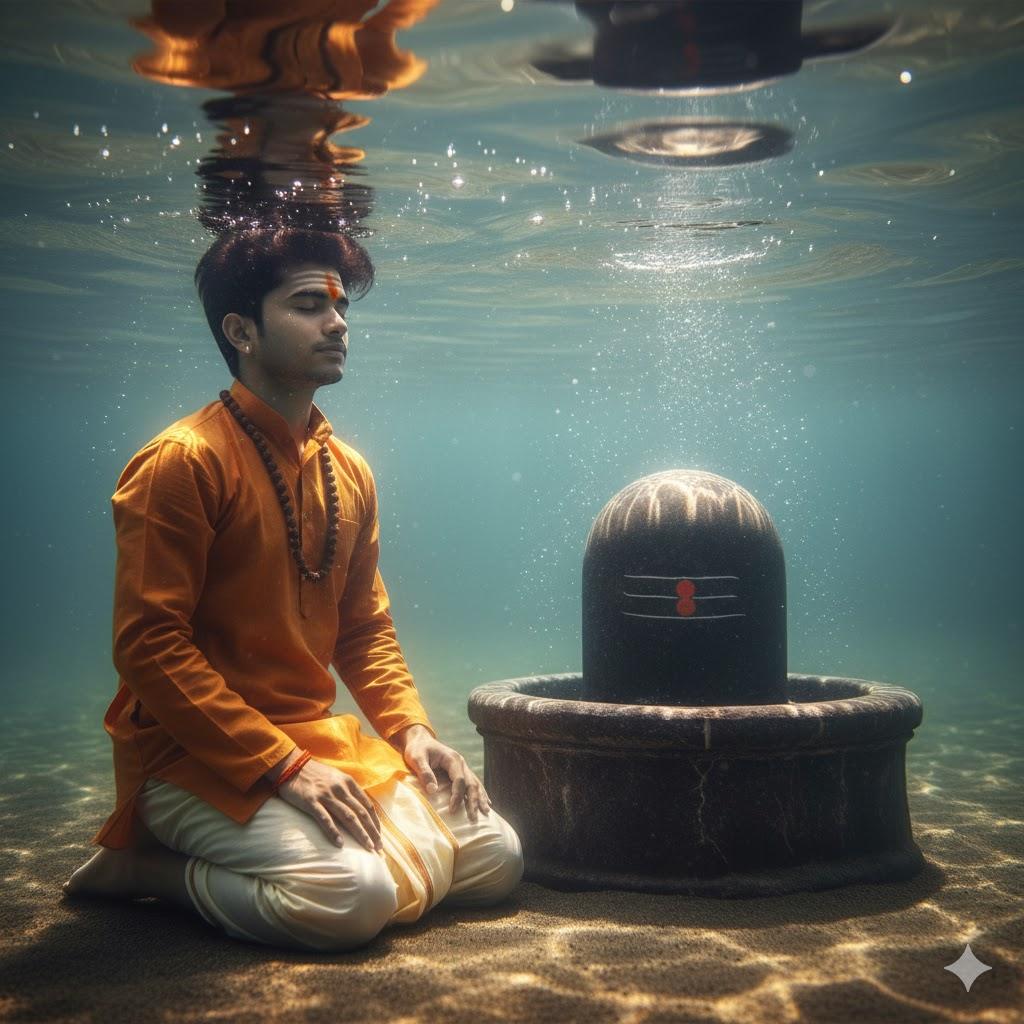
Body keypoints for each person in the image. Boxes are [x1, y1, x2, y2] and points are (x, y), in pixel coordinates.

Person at [62, 225, 524, 952]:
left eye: (339, 305)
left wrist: (412, 732)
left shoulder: (350, 471)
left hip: (313, 744)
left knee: (497, 857)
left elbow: (364, 631)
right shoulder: (181, 462)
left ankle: (312, 853)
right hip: (191, 757)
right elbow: (148, 648)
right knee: (352, 897)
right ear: (241, 329)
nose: (337, 322)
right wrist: (282, 767)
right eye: (309, 304)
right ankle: (146, 869)